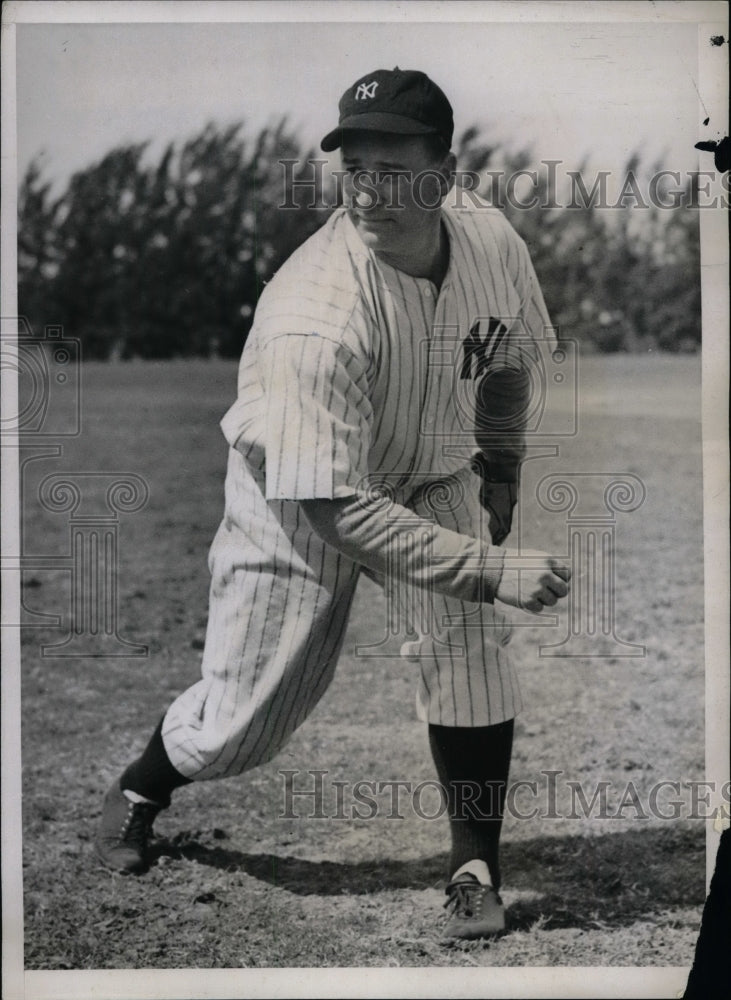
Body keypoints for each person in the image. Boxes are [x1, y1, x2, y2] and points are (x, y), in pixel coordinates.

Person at [95, 67, 570, 940]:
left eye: (394, 168)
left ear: (447, 171)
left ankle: (474, 868)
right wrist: (488, 565)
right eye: (355, 168)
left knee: (468, 648)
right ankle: (145, 783)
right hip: (301, 494)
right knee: (244, 722)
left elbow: (506, 361)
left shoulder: (492, 243)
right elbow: (335, 508)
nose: (370, 191)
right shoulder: (310, 314)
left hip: (427, 471)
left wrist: (499, 468)